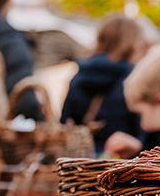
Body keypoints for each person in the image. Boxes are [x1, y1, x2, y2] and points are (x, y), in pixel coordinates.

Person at [60, 16, 154, 154]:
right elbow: (145, 133)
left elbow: (64, 124)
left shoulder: (80, 74)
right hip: (120, 163)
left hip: (80, 161)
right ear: (133, 43)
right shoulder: (135, 79)